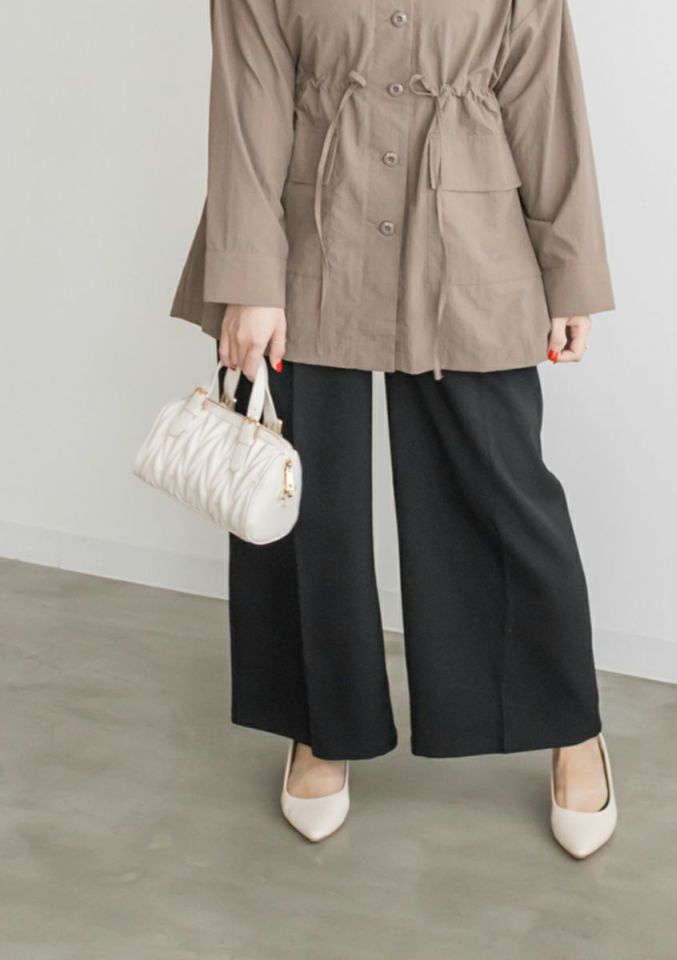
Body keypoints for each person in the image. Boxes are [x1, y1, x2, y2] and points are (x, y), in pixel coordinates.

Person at [170, 0, 617, 859]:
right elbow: (248, 104)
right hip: (310, 240)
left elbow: (546, 104)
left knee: (503, 497)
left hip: (471, 242)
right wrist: (250, 281)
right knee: (304, 505)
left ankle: (570, 725)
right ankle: (319, 723)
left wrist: (571, 277)